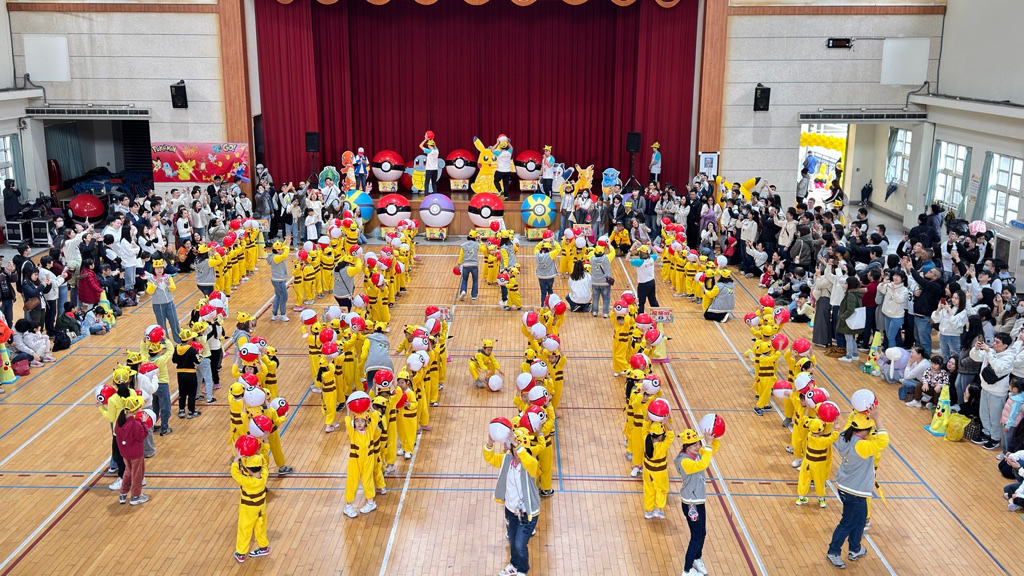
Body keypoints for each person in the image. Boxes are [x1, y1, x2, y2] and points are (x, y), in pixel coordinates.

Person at [826, 406, 889, 569]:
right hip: (854, 491)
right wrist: (877, 418)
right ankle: (833, 551)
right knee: (847, 523)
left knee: (860, 521)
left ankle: (855, 549)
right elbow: (883, 441)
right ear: (866, 431)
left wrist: (856, 413)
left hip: (849, 488)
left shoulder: (844, 437)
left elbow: (847, 425)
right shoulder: (862, 446)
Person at [483, 429, 540, 576]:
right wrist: (490, 443)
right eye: (515, 448)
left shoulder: (531, 464)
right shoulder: (506, 460)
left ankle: (523, 569)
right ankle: (514, 565)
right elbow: (490, 458)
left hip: (528, 513)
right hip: (511, 510)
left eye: (521, 448)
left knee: (520, 544)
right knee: (513, 541)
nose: (518, 452)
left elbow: (527, 459)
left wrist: (516, 443)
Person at [675, 428, 720, 576]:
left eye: (699, 443)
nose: (698, 446)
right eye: (694, 445)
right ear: (687, 447)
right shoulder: (684, 461)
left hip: (699, 501)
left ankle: (696, 559)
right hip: (691, 504)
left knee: (702, 533)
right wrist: (708, 445)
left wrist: (715, 436)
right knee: (696, 536)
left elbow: (712, 449)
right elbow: (702, 465)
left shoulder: (696, 454)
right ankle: (687, 570)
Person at [970, 332, 1019, 450]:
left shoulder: (1009, 357)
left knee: (995, 417)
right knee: (984, 414)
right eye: (994, 341)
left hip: (998, 392)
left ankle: (995, 438)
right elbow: (975, 357)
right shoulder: (991, 351)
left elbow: (998, 367)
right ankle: (986, 433)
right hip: (985, 388)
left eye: (997, 342)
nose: (994, 344)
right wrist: (976, 349)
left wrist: (989, 352)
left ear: (1005, 345)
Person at [231, 450, 271, 563]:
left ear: (248, 470)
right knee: (260, 527)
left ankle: (241, 553)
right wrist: (258, 454)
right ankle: (264, 548)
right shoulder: (264, 476)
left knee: (244, 529)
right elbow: (265, 464)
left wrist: (236, 460)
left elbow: (235, 474)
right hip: (261, 508)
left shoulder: (247, 481)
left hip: (248, 509)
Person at [114, 394, 149, 506]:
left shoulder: (120, 421)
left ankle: (123, 493)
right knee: (137, 475)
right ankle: (135, 496)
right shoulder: (135, 424)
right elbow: (142, 436)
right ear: (134, 410)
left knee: (128, 472)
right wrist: (144, 423)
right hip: (136, 454)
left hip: (125, 453)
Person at [146, 260, 181, 344]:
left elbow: (173, 288)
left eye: (161, 268)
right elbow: (150, 291)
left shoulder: (168, 277)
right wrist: (155, 284)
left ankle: (178, 339)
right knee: (162, 324)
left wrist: (168, 284)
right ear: (154, 269)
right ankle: (165, 342)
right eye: (157, 268)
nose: (160, 270)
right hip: (158, 305)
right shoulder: (150, 279)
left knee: (174, 321)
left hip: (169, 303)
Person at [836, 276, 865, 363]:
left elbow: (850, 309)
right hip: (852, 319)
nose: (845, 284)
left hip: (848, 320)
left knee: (848, 338)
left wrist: (843, 317)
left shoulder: (850, 295)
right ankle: (855, 354)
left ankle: (849, 356)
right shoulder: (856, 294)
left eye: (846, 283)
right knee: (851, 338)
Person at [266, 238, 291, 321]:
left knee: (278, 296)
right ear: (277, 250)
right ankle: (283, 314)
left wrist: (286, 241)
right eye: (281, 249)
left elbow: (282, 248)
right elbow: (285, 255)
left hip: (276, 280)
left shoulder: (274, 255)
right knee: (284, 297)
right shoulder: (276, 258)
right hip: (279, 281)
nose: (283, 250)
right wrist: (287, 245)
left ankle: (274, 314)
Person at [630, 245, 659, 313]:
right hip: (652, 282)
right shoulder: (651, 258)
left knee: (641, 302)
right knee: (653, 300)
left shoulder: (640, 262)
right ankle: (658, 315)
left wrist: (631, 248)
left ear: (641, 253)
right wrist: (651, 246)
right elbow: (656, 254)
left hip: (643, 284)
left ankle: (640, 316)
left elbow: (627, 259)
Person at [458, 231, 481, 301]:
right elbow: (483, 249)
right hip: (474, 265)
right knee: (475, 280)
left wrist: (459, 264)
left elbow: (461, 256)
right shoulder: (477, 245)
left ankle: (463, 291)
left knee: (464, 279)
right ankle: (474, 295)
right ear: (475, 237)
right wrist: (480, 241)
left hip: (465, 265)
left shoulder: (463, 245)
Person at [590, 245, 612, 318]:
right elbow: (613, 252)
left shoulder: (592, 259)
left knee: (595, 298)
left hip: (595, 282)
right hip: (605, 282)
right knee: (606, 299)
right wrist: (609, 245)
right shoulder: (607, 258)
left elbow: (590, 252)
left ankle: (595, 312)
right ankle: (605, 313)